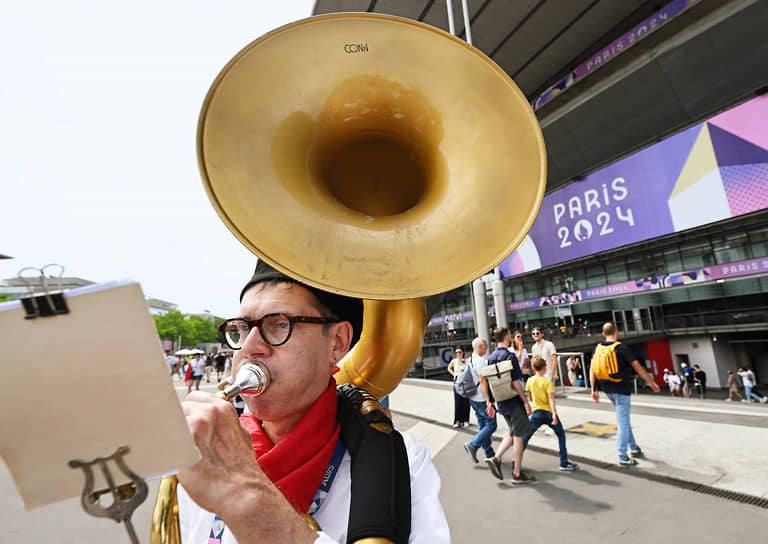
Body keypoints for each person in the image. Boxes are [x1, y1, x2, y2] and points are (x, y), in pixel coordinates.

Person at [176, 261, 450, 543]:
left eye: (279, 324)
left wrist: (247, 498)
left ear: (337, 343)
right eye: (242, 328)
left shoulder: (405, 462)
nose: (247, 347)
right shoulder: (205, 447)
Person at [590, 322, 660, 466]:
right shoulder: (622, 348)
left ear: (604, 334)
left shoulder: (597, 348)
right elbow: (638, 368)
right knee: (622, 423)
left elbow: (592, 370)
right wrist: (651, 382)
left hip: (606, 389)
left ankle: (633, 448)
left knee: (624, 419)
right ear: (616, 332)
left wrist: (593, 389)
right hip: (621, 389)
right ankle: (622, 456)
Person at [482, 327, 535, 485]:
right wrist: (526, 402)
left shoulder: (491, 358)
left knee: (512, 432)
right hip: (513, 401)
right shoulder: (510, 357)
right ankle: (517, 473)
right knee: (518, 436)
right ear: (508, 337)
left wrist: (489, 401)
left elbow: (487, 381)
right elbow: (516, 383)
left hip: (501, 401)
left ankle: (496, 458)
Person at [522, 356, 579, 471]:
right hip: (548, 413)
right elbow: (551, 399)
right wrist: (554, 414)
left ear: (533, 368)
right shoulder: (547, 382)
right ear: (544, 367)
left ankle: (516, 460)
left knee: (526, 437)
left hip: (536, 412)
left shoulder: (530, 381)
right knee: (561, 434)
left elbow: (531, 397)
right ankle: (564, 462)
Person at [463, 337, 497, 464]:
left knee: (483, 425)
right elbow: (482, 380)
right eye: (485, 346)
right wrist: (488, 400)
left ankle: (489, 453)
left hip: (472, 398)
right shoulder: (480, 361)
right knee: (492, 425)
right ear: (480, 347)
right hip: (481, 398)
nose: (486, 348)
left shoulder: (470, 359)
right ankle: (473, 444)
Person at [447, 347, 470, 428]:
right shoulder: (454, 361)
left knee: (466, 402)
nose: (458, 354)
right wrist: (454, 375)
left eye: (459, 352)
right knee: (458, 402)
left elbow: (470, 369)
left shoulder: (466, 361)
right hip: (457, 381)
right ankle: (457, 420)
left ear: (463, 352)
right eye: (456, 352)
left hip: (465, 382)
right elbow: (449, 368)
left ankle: (466, 420)